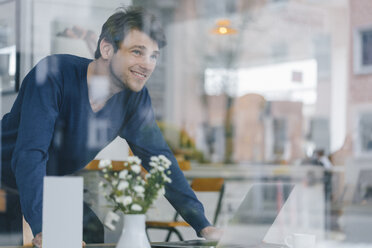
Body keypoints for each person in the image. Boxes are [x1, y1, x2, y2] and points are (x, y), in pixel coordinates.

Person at [0, 6, 220, 247]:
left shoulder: (133, 99)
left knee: (93, 231)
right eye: (138, 52)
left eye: (154, 56)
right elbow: (30, 154)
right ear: (106, 48)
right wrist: (44, 228)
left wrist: (202, 224)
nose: (147, 65)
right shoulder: (54, 75)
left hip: (50, 185)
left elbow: (160, 159)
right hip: (6, 184)